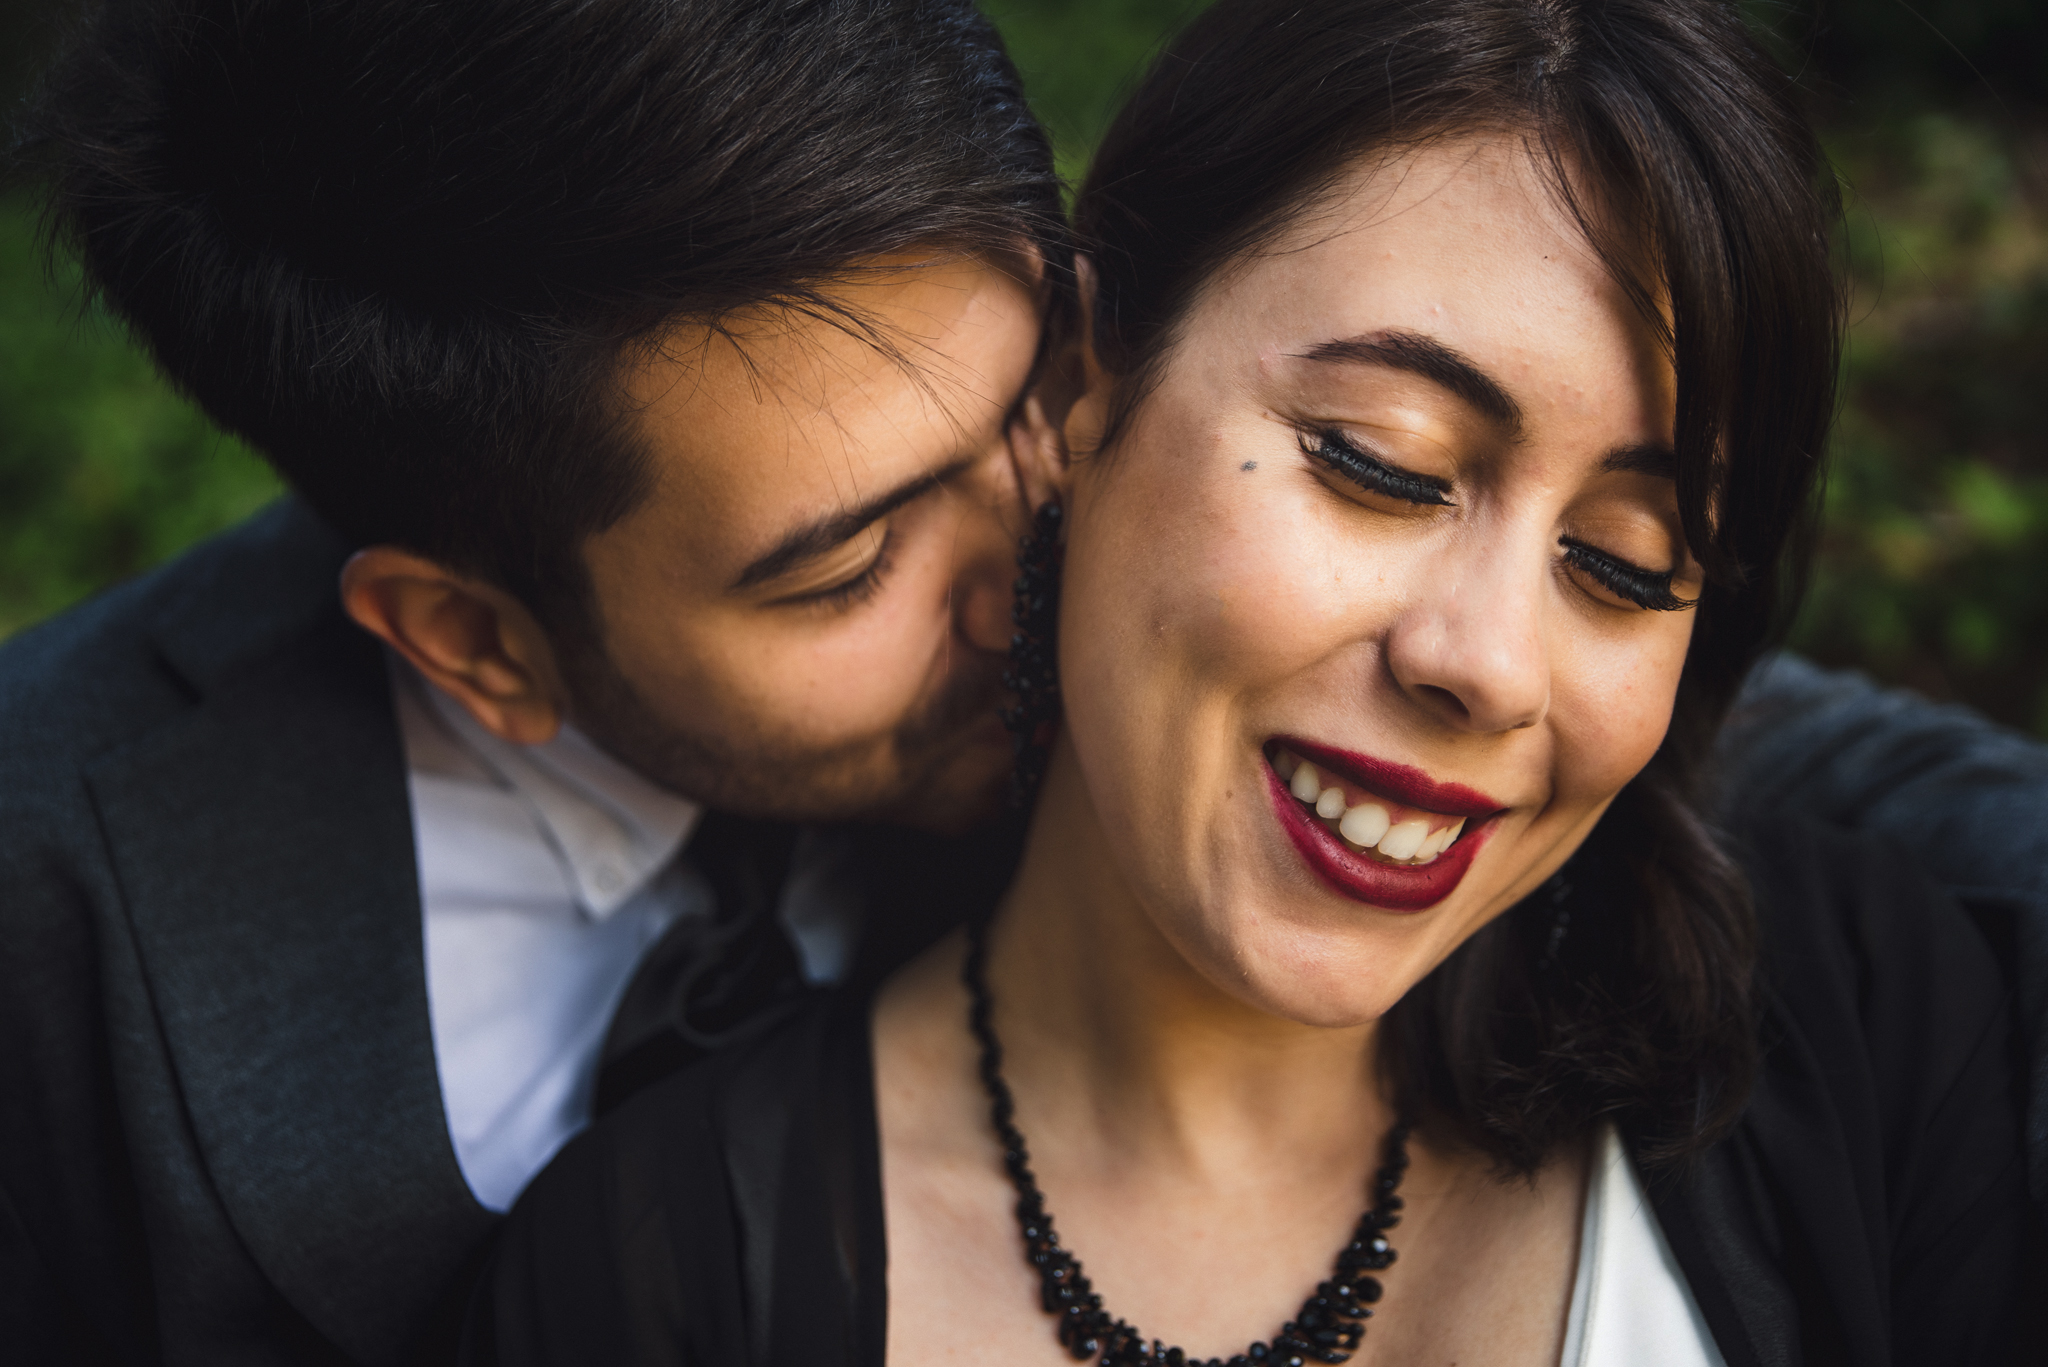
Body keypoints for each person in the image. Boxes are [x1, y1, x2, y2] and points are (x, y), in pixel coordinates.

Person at [466, 2, 2035, 1365]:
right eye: (1381, 465)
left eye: (1625, 563)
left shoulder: (1870, 1021)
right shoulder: (658, 1273)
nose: (1487, 667)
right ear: (1085, 379)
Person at [0, 1, 1065, 1362]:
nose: (1034, 581)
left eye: (1042, 399)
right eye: (851, 568)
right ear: (474, 642)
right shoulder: (42, 932)